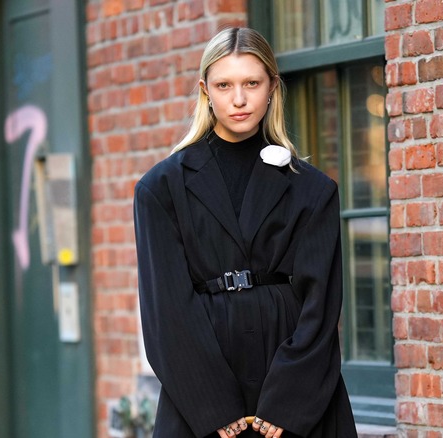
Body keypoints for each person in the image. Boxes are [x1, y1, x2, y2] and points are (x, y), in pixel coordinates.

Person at [134, 27, 358, 438]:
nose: (239, 99)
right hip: (202, 391)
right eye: (224, 85)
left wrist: (288, 402)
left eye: (251, 83)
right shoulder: (161, 188)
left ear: (272, 86)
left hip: (294, 387)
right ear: (206, 90)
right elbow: (165, 311)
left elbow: (321, 305)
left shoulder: (312, 189)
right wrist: (212, 404)